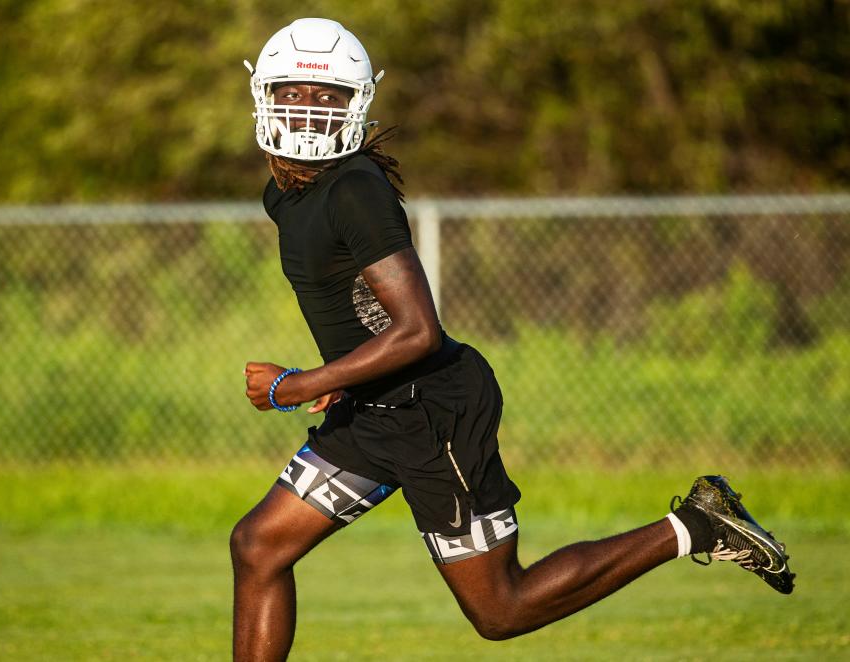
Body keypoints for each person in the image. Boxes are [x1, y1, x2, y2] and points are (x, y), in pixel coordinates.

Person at [231, 17, 795, 661]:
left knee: (502, 609)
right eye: (293, 93)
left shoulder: (355, 189)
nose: (307, 112)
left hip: (429, 411)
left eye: (326, 96)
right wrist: (344, 376)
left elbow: (417, 331)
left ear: (356, 102)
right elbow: (361, 309)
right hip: (372, 408)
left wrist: (301, 383)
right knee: (259, 546)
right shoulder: (283, 193)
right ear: (264, 96)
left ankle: (696, 524)